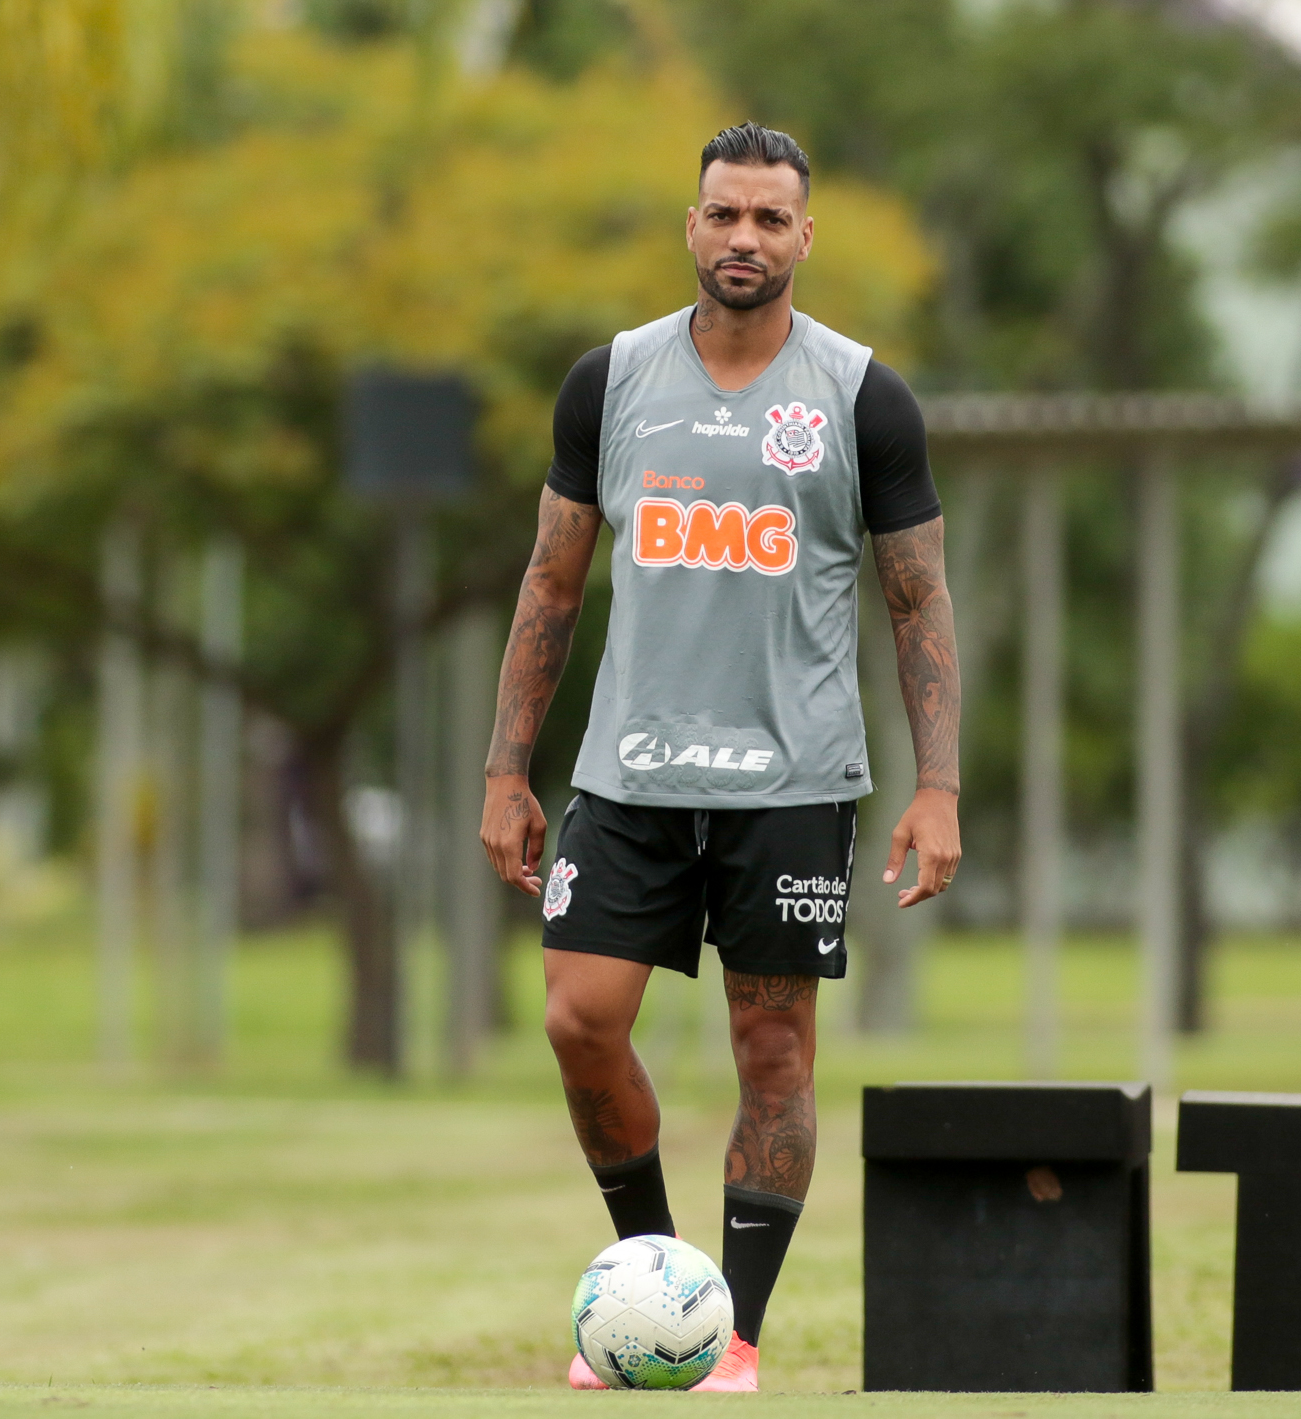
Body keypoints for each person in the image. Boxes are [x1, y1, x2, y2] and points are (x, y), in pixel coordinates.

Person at [477, 121, 961, 1393]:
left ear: (805, 236)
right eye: (723, 215)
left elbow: (917, 601)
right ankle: (660, 1300)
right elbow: (551, 580)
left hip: (793, 785)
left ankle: (729, 1341)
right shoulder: (611, 380)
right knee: (580, 1025)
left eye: (768, 218)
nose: (743, 237)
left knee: (774, 1054)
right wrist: (504, 767)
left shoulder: (861, 395)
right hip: (626, 780)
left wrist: (940, 786)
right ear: (690, 227)